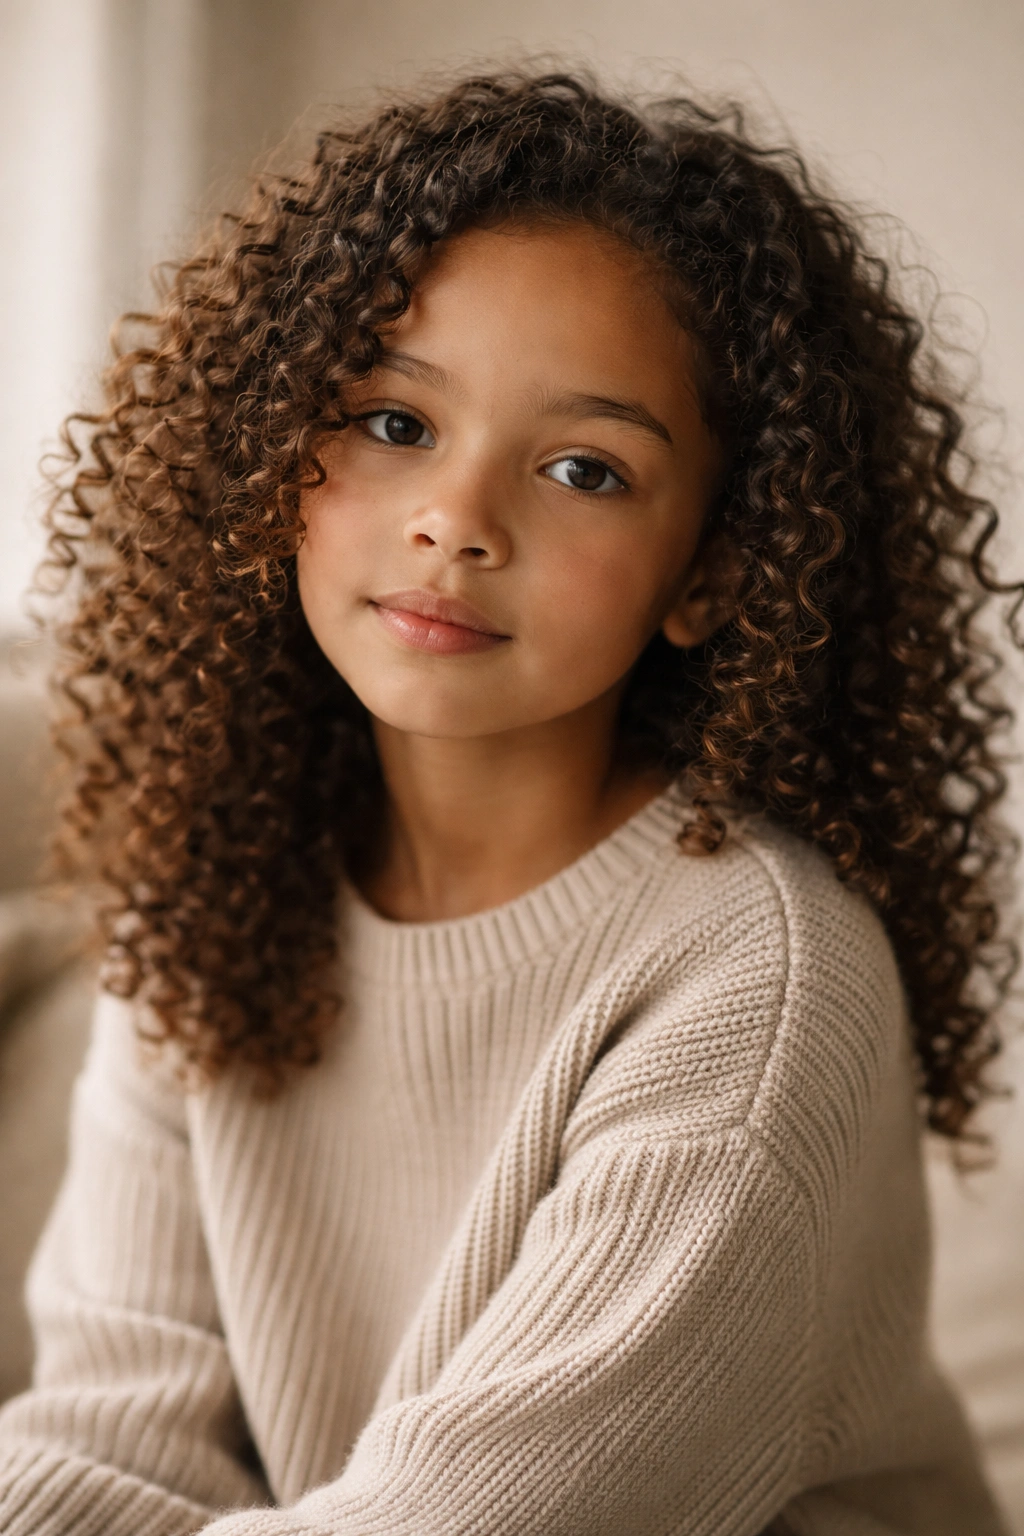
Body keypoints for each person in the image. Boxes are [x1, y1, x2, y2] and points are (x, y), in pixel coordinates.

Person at [0, 68, 1015, 1536]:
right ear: (279, 446)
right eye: (395, 424)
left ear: (715, 574)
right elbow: (104, 1442)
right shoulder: (212, 891)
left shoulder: (758, 986)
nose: (457, 522)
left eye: (585, 469)